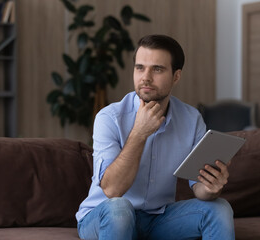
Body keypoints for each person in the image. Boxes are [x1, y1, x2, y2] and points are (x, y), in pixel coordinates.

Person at [76, 34, 235, 240]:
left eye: (157, 69)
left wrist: (212, 187)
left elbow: (199, 190)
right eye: (140, 67)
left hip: (157, 219)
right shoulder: (109, 118)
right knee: (120, 209)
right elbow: (112, 190)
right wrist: (140, 133)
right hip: (104, 216)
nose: (146, 77)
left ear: (176, 76)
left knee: (219, 208)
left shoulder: (191, 119)